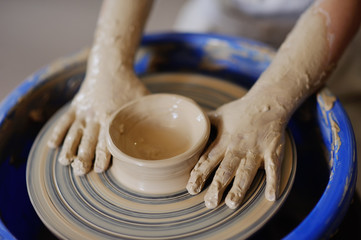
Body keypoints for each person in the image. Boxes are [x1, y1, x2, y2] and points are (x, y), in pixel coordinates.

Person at [48, 0, 361, 209]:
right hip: (222, 13)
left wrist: (270, 102)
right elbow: (109, 65)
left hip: (327, 32)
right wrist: (109, 65)